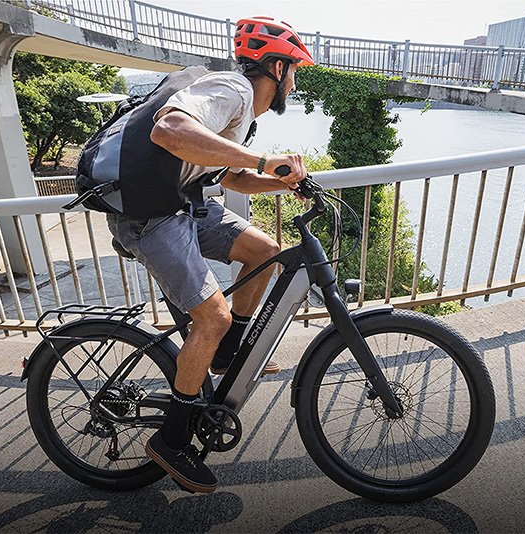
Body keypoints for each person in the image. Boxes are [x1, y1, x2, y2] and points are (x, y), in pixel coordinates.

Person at [107, 16, 315, 494]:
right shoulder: (232, 89)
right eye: (295, 72)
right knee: (212, 316)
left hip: (183, 206)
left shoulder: (244, 114)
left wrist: (283, 181)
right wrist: (265, 161)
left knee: (265, 252)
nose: (295, 83)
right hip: (151, 218)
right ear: (278, 68)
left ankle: (222, 357)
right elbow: (170, 129)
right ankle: (172, 440)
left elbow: (231, 179)